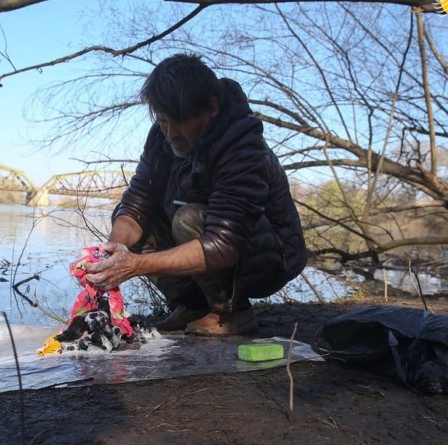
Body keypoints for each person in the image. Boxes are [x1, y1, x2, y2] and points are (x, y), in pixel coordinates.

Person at [84, 53, 307, 336]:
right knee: (133, 226)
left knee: (188, 219)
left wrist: (135, 266)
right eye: (163, 120)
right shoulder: (161, 137)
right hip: (219, 242)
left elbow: (223, 242)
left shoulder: (243, 146)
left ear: (211, 108)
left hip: (271, 255)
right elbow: (137, 201)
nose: (169, 133)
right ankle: (192, 303)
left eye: (178, 121)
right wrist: (114, 251)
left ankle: (232, 311)